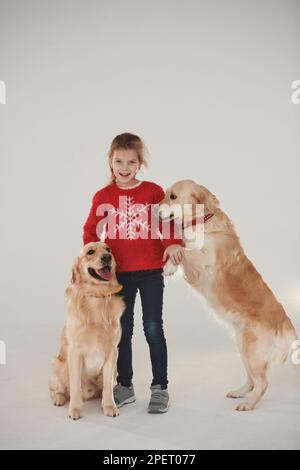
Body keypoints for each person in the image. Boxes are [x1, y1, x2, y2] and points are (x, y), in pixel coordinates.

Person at [83, 132, 184, 413]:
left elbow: (167, 223)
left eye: (131, 162)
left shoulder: (152, 191)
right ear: (110, 162)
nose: (124, 167)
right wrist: (94, 262)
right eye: (119, 161)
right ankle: (124, 385)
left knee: (152, 328)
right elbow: (90, 231)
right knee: (122, 331)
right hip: (117, 276)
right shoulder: (103, 196)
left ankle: (160, 387)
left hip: (151, 271)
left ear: (140, 163)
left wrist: (173, 243)